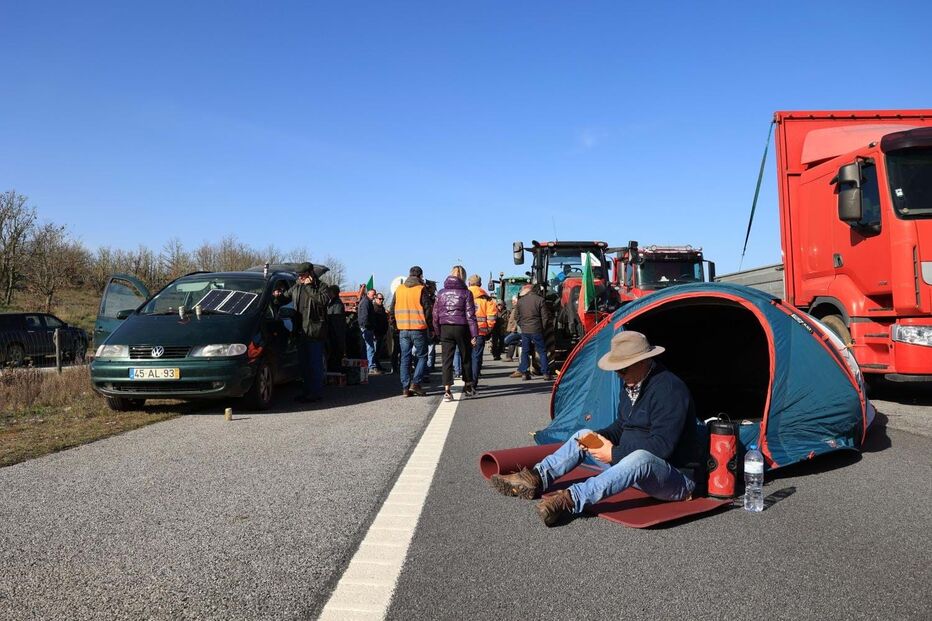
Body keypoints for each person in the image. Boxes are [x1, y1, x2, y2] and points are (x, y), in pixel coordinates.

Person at [490, 331, 701, 527]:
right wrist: (599, 438)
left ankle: (570, 499)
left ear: (643, 361)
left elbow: (661, 447)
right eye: (617, 368)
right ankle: (537, 477)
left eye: (623, 368)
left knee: (641, 459)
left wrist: (613, 453)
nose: (619, 374)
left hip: (676, 479)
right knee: (584, 435)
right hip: (630, 465)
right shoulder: (632, 382)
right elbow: (622, 425)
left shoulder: (670, 390)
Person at [273, 263, 329, 403]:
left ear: (311, 273)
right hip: (300, 331)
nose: (301, 278)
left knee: (315, 364)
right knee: (304, 365)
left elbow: (322, 301)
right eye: (299, 275)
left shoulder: (322, 287)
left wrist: (309, 287)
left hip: (314, 332)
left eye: (303, 275)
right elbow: (286, 297)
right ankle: (306, 392)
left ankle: (315, 393)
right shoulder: (297, 286)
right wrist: (278, 296)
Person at [433, 265, 478, 402]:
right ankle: (468, 386)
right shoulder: (466, 293)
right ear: (463, 277)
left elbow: (435, 314)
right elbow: (470, 315)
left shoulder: (441, 293)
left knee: (447, 360)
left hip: (445, 327)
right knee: (466, 357)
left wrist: (438, 331)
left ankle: (447, 390)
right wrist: (474, 334)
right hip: (461, 327)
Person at [389, 266, 433, 397]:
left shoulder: (399, 289)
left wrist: (395, 325)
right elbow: (427, 310)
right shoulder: (421, 289)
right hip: (418, 328)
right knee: (422, 356)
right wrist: (430, 327)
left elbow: (392, 309)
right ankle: (416, 383)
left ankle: (405, 388)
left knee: (405, 357)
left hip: (403, 329)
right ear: (420, 276)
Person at [510, 284, 552, 381]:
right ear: (537, 291)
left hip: (525, 331)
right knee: (542, 351)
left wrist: (522, 325)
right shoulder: (540, 300)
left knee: (525, 351)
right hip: (537, 330)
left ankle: (525, 373)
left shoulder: (521, 301)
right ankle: (546, 373)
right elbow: (545, 317)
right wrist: (542, 328)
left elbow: (516, 316)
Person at [466, 275, 498, 387]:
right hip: (480, 332)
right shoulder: (487, 299)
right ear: (480, 284)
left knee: (466, 357)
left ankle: (467, 380)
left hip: (465, 332)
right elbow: (492, 317)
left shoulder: (463, 295)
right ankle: (473, 382)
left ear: (469, 283)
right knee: (476, 357)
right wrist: (488, 329)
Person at [357, 289, 381, 375]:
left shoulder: (366, 302)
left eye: (375, 295)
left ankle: (365, 368)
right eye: (373, 294)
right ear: (368, 293)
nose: (374, 296)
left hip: (365, 328)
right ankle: (371, 367)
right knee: (370, 348)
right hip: (366, 328)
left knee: (366, 348)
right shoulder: (366, 302)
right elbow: (364, 316)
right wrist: (367, 327)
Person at [325, 285, 347, 371]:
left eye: (329, 292)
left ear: (332, 293)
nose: (327, 294)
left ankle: (335, 370)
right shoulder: (333, 303)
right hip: (334, 334)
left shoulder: (337, 304)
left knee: (335, 355)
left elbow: (336, 322)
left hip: (335, 336)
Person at [372, 291, 390, 372]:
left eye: (382, 299)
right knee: (375, 351)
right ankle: (375, 367)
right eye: (380, 299)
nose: (381, 300)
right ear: (375, 299)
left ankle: (378, 366)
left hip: (382, 333)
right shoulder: (374, 308)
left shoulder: (382, 308)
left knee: (378, 351)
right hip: (376, 333)